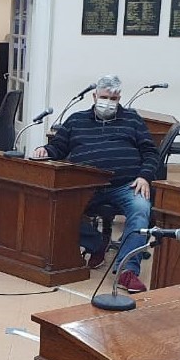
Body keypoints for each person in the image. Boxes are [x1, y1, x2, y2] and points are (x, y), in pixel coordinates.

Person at [32, 74, 158, 293]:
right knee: (54, 209)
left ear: (119, 99)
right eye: (104, 97)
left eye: (113, 99)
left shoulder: (132, 119)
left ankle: (127, 271)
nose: (108, 102)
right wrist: (45, 151)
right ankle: (97, 243)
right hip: (83, 187)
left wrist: (144, 176)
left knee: (141, 209)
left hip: (126, 185)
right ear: (94, 96)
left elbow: (150, 152)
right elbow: (58, 147)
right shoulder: (76, 120)